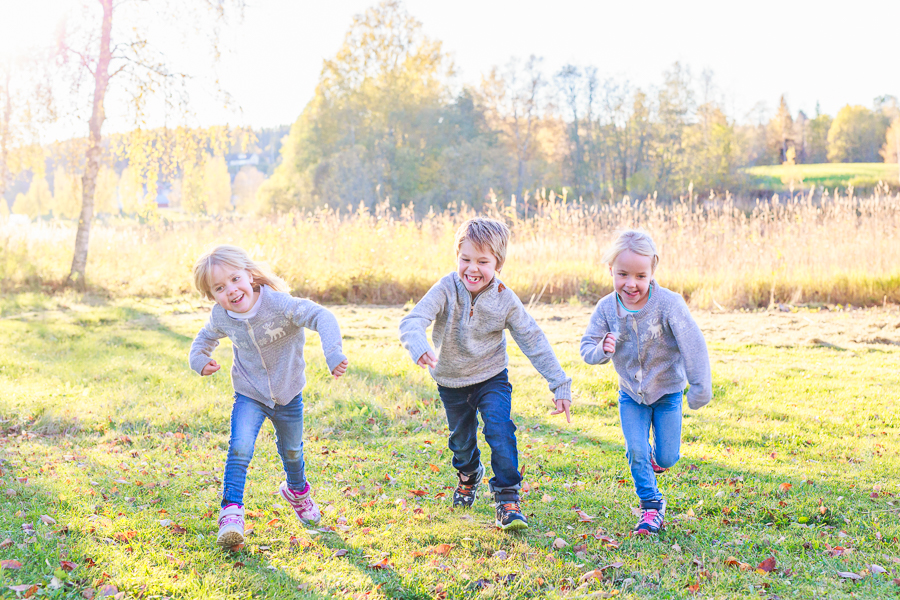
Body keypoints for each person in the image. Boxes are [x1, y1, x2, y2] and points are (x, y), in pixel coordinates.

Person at [399, 217, 572, 531]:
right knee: (461, 443)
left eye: (482, 261)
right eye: (465, 259)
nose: (472, 268)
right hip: (450, 381)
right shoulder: (446, 288)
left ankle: (507, 500)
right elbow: (413, 321)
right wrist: (419, 344)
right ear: (457, 258)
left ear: (498, 264)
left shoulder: (504, 298)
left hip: (491, 377)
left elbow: (532, 338)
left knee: (500, 430)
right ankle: (468, 475)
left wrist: (559, 382)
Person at [188, 245, 349, 548]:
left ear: (249, 274)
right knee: (240, 447)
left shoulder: (279, 305)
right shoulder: (222, 316)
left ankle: (297, 492)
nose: (231, 291)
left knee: (293, 452)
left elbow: (322, 316)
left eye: (235, 280)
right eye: (220, 288)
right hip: (249, 394)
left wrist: (333, 352)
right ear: (213, 296)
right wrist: (199, 360)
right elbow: (204, 337)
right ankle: (231, 513)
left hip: (288, 393)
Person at [580, 229, 711, 535]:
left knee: (666, 456)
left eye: (640, 275)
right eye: (622, 274)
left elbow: (693, 342)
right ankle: (651, 506)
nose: (631, 283)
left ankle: (657, 460)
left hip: (668, 393)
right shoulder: (606, 308)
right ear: (611, 271)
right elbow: (587, 347)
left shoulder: (669, 304)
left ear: (653, 270)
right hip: (630, 396)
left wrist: (700, 386)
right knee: (636, 449)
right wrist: (602, 350)